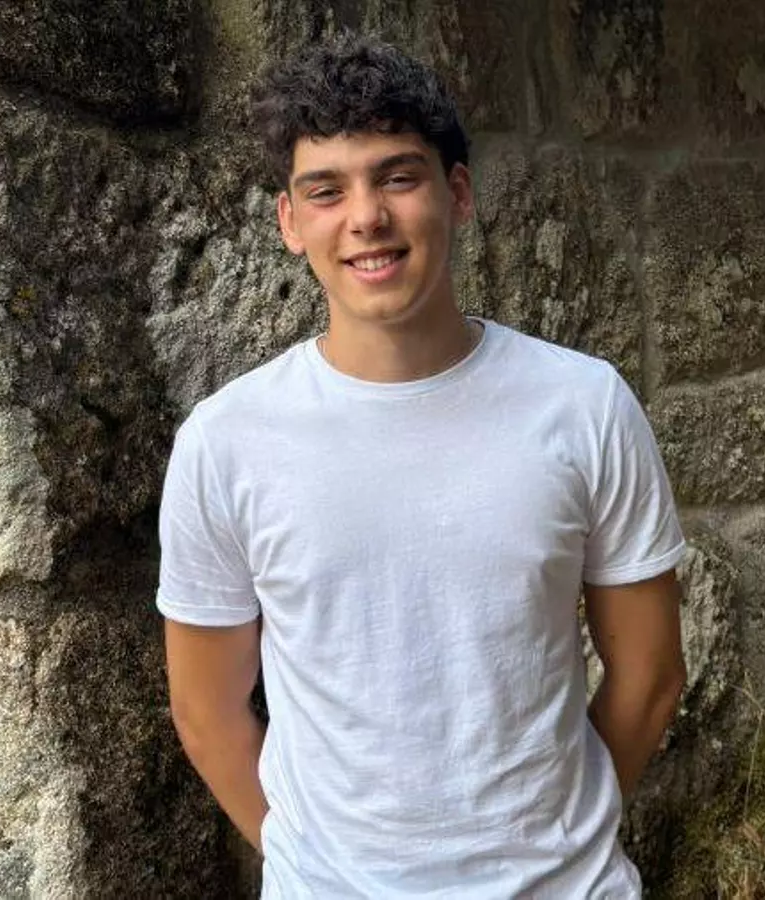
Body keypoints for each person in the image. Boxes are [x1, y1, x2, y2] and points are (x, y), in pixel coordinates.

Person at [157, 31, 688, 898]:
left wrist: (559, 848)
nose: (366, 217)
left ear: (459, 193)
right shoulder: (226, 443)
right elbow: (205, 710)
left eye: (397, 177)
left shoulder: (584, 406)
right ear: (289, 223)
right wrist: (315, 866)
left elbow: (651, 676)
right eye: (326, 190)